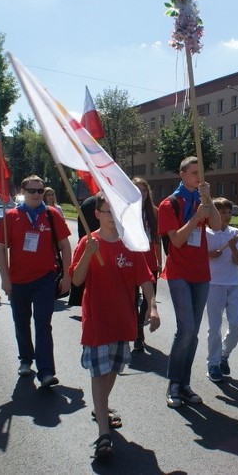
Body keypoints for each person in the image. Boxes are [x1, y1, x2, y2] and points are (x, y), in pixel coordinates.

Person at [70, 192, 160, 460]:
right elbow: (76, 280)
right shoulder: (89, 241)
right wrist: (87, 254)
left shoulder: (130, 243)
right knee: (99, 372)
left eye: (114, 211)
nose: (110, 216)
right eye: (105, 211)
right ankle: (103, 434)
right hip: (97, 319)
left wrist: (153, 306)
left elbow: (145, 279)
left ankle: (101, 408)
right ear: (96, 213)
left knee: (112, 371)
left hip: (123, 319)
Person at [0, 175, 72, 388]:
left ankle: (46, 371)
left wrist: (67, 275)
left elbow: (65, 246)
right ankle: (26, 360)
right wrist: (5, 279)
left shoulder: (51, 214)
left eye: (40, 191)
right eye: (32, 191)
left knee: (43, 324)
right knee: (21, 322)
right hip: (18, 281)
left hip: (45, 279)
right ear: (23, 191)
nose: (37, 195)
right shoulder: (11, 216)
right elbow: (0, 249)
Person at [158, 156, 220, 408]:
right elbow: (177, 241)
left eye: (201, 173)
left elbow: (216, 226)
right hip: (178, 273)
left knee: (193, 332)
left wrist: (209, 202)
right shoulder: (169, 204)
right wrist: (195, 218)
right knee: (185, 328)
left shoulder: (200, 200)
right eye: (194, 173)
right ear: (182, 174)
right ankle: (173, 383)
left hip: (201, 273)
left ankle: (184, 384)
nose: (198, 177)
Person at [205, 197, 238, 383]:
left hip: (233, 283)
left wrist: (233, 247)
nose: (227, 215)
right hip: (213, 284)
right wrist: (209, 255)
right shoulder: (206, 233)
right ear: (214, 214)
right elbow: (198, 257)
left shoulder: (235, 232)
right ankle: (212, 364)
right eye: (223, 212)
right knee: (214, 327)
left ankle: (224, 354)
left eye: (229, 212)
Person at [131, 176, 161, 352]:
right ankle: (137, 334)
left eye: (143, 190)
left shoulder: (154, 211)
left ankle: (140, 325)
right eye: (137, 190)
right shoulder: (126, 211)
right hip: (132, 259)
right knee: (132, 299)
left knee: (150, 298)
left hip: (149, 259)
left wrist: (159, 262)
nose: (141, 194)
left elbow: (157, 239)